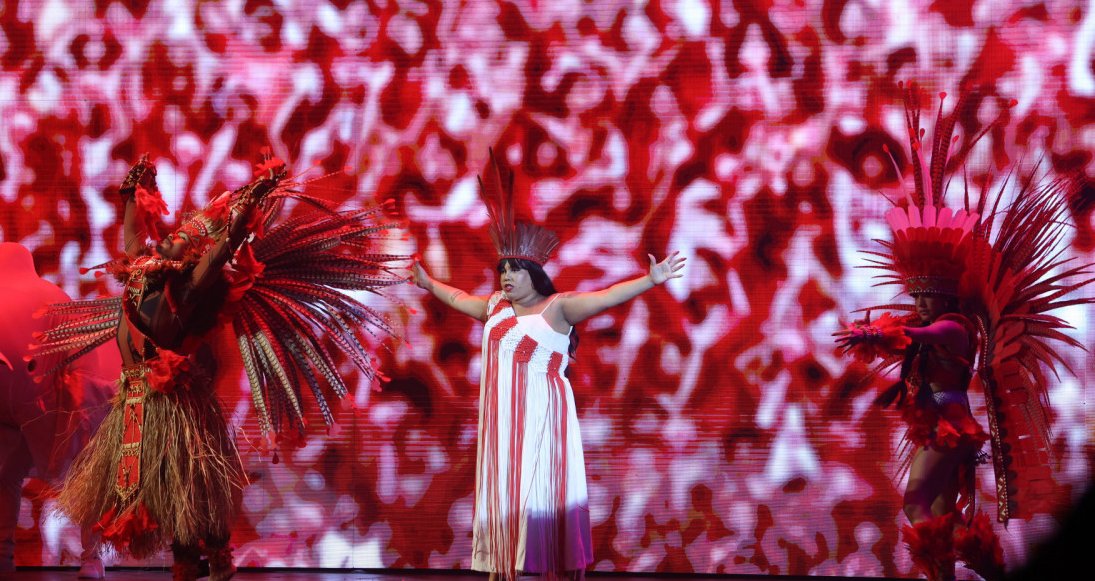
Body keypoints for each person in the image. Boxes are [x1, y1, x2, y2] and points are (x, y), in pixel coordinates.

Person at [37, 155, 407, 581]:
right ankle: (193, 560)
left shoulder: (188, 292)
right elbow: (135, 236)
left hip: (174, 407)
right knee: (169, 488)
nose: (172, 236)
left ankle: (214, 556)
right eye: (176, 232)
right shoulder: (142, 272)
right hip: (137, 405)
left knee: (189, 483)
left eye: (183, 237)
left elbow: (220, 253)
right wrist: (132, 194)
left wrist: (248, 209)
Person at [836, 88, 1089, 581]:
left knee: (926, 509)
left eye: (928, 294)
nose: (921, 301)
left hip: (947, 426)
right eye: (919, 295)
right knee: (933, 511)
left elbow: (910, 333)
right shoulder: (945, 324)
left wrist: (871, 332)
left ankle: (966, 565)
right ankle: (965, 565)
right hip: (937, 422)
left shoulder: (952, 328)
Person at [411, 154, 684, 581]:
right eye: (502, 269)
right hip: (503, 420)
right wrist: (429, 285)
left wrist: (651, 279)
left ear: (534, 274)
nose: (505, 276)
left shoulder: (559, 308)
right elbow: (457, 299)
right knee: (506, 496)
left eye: (515, 269)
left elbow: (609, 295)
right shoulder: (496, 308)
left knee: (539, 494)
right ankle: (507, 571)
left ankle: (548, 570)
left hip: (543, 419)